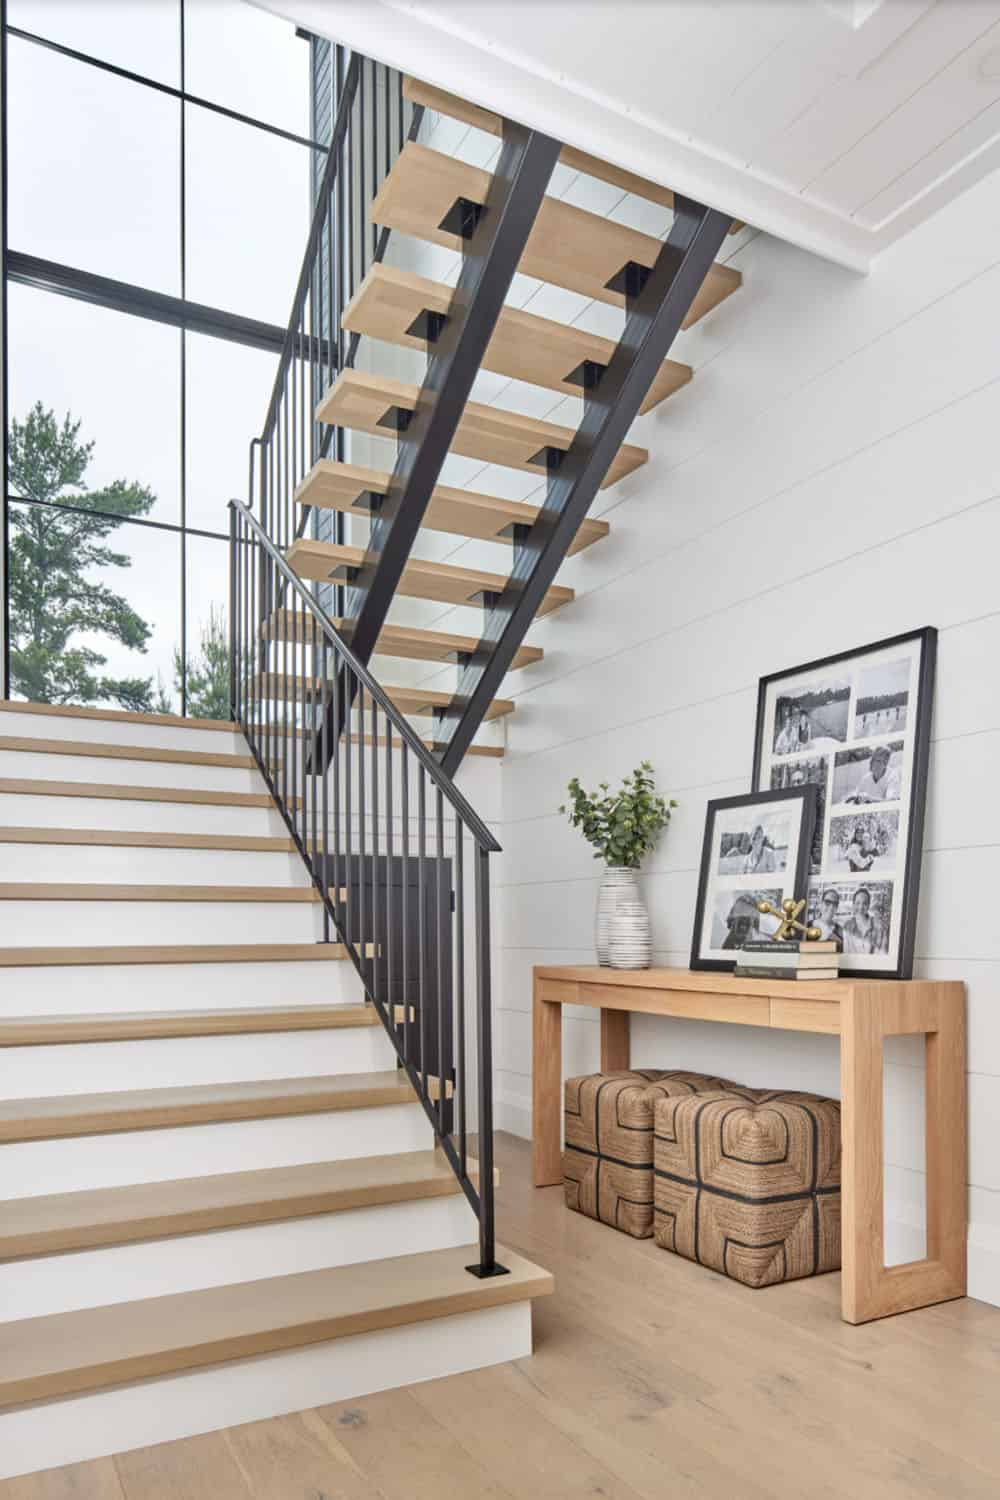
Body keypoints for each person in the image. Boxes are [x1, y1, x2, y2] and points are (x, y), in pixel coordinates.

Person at [841, 887, 884, 954]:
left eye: (865, 903)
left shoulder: (878, 926)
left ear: (869, 905)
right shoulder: (847, 926)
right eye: (857, 903)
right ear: (853, 905)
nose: (861, 907)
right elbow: (846, 952)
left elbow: (881, 952)